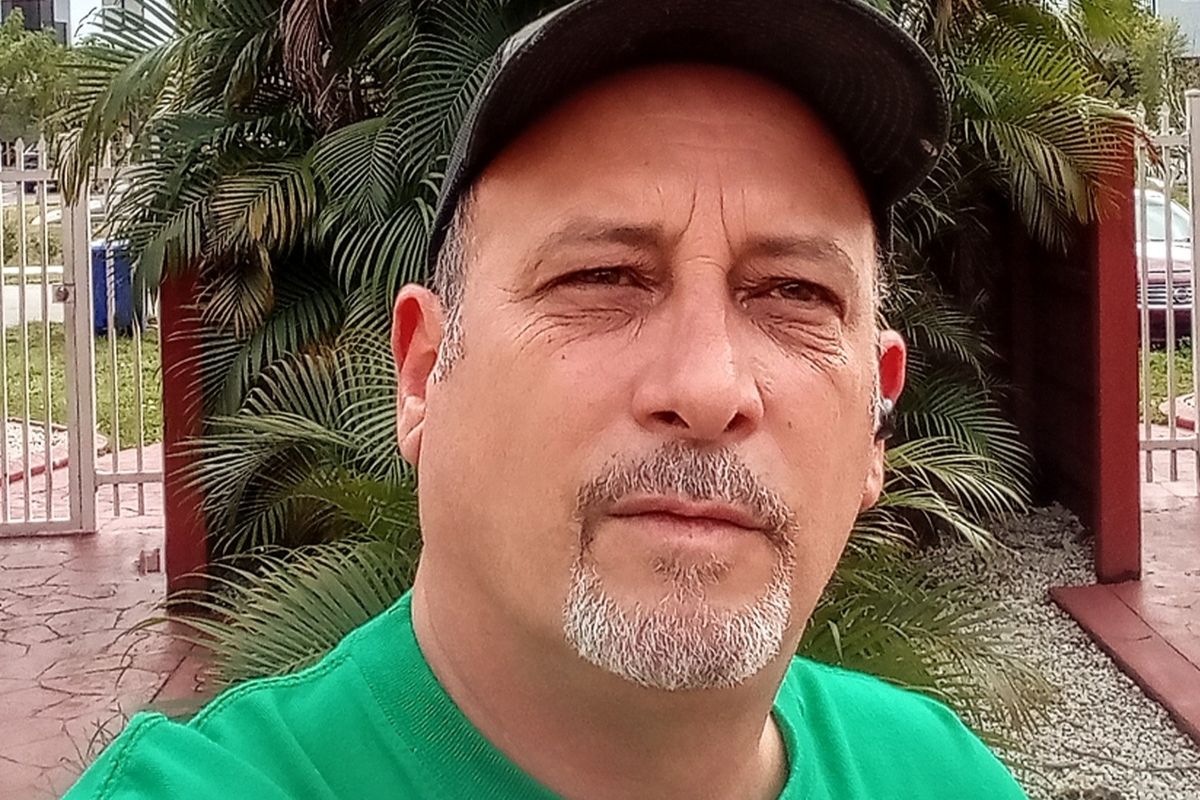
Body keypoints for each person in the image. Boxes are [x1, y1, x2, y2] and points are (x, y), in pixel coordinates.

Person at [66, 0, 1029, 798]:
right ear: (423, 375)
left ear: (876, 419)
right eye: (601, 278)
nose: (708, 388)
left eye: (794, 294)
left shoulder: (942, 776)